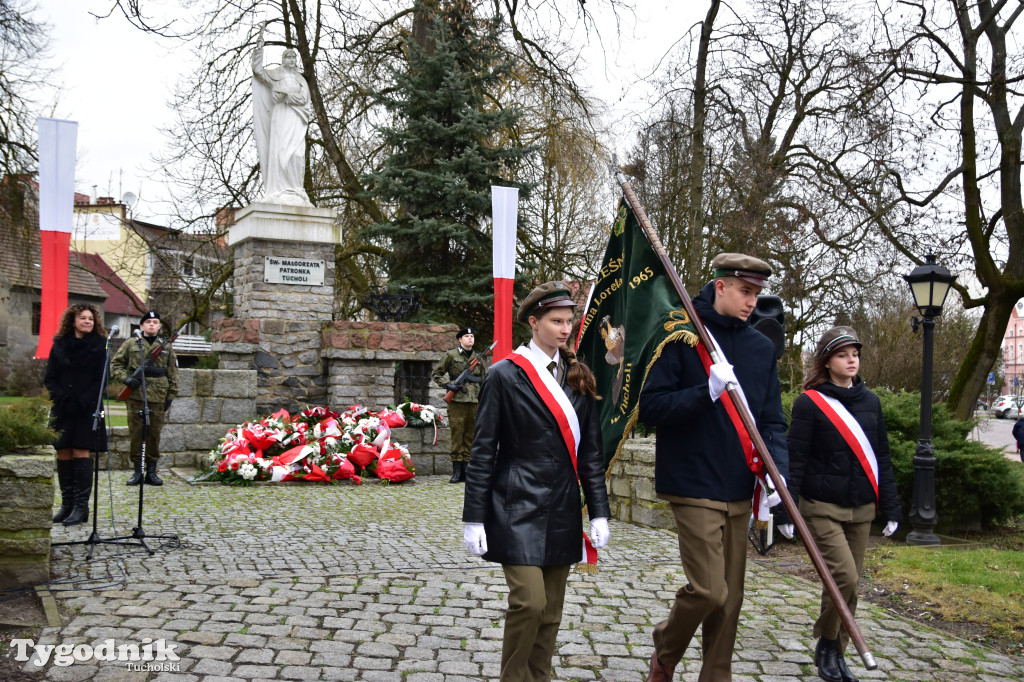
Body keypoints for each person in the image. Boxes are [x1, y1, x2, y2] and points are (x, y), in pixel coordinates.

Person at [638, 253, 789, 682]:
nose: (751, 302)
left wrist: (780, 475)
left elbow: (773, 420)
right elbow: (651, 407)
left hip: (742, 484)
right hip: (692, 480)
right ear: (720, 285)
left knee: (731, 598)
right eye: (744, 291)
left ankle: (715, 675)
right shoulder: (682, 336)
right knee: (708, 589)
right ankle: (666, 651)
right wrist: (705, 391)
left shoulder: (762, 348)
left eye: (757, 293)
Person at [462, 281, 611, 682]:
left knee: (551, 611)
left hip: (562, 504)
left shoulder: (579, 376)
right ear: (534, 322)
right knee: (529, 601)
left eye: (569, 321)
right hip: (515, 502)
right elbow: (482, 452)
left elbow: (590, 455)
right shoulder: (504, 375)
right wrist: (473, 517)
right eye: (556, 321)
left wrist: (599, 512)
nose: (566, 329)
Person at [775, 326, 901, 682]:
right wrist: (785, 510)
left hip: (861, 509)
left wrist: (891, 507)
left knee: (849, 584)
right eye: (843, 354)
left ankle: (834, 653)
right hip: (821, 506)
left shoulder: (871, 402)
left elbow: (882, 458)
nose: (851, 360)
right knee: (842, 577)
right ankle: (829, 643)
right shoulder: (809, 403)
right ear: (827, 361)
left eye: (855, 354)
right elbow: (794, 461)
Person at [44, 304, 109, 526]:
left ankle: (81, 508)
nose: (87, 322)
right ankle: (67, 505)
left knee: (81, 451)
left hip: (87, 407)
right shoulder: (59, 345)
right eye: (83, 318)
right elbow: (50, 377)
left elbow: (101, 379)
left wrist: (84, 400)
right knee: (63, 451)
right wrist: (63, 398)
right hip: (63, 406)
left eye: (91, 318)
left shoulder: (101, 346)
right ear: (73, 321)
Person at [110, 311, 179, 486]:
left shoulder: (166, 346)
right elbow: (115, 363)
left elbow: (173, 373)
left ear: (159, 326)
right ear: (141, 325)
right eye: (148, 322)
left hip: (158, 396)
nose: (151, 325)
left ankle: (152, 472)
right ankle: (137, 472)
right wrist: (125, 378)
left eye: (155, 322)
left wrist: (171, 395)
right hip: (136, 395)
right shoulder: (131, 343)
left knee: (154, 435)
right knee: (136, 434)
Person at [252, 21, 313, 206]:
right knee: (280, 151)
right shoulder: (276, 74)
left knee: (297, 154)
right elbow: (258, 71)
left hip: (296, 119)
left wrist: (285, 97)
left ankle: (296, 189)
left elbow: (303, 99)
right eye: (289, 57)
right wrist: (259, 49)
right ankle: (279, 189)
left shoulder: (301, 79)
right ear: (283, 60)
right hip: (280, 118)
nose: (292, 60)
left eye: (294, 58)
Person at [432, 327, 486, 483]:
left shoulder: (479, 358)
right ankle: (456, 471)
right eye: (467, 336)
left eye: (472, 336)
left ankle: (467, 470)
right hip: (457, 401)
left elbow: (483, 379)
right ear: (460, 339)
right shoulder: (451, 355)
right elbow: (437, 374)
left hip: (474, 401)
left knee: (471, 436)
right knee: (457, 435)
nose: (470, 338)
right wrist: (449, 386)